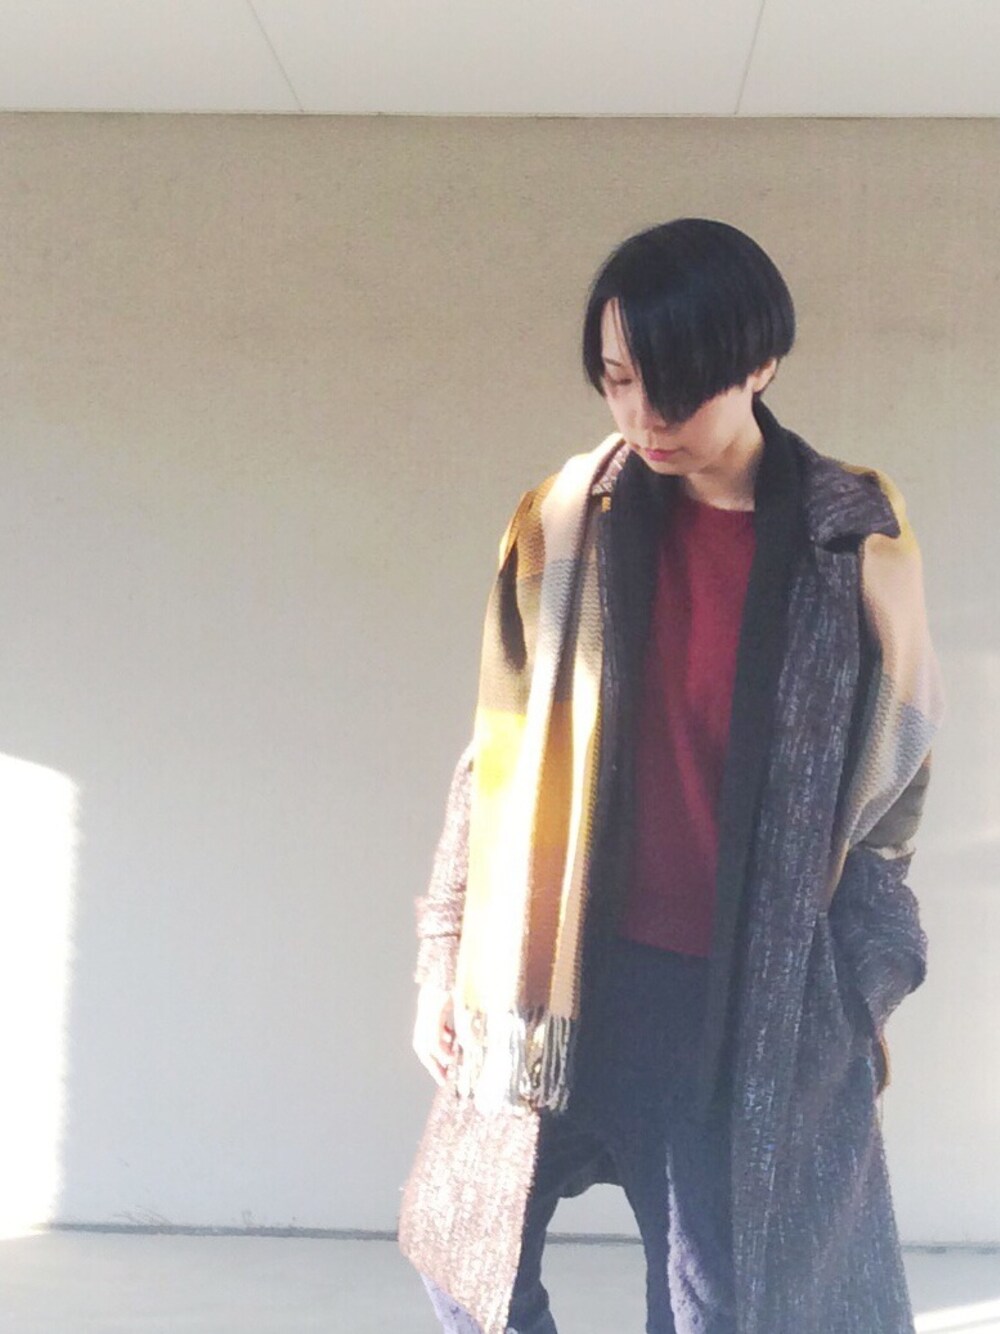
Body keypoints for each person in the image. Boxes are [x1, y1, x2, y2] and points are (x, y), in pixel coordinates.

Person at [397, 218, 944, 1334]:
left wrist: (855, 983)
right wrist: (442, 954)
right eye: (617, 379)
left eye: (676, 388)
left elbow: (895, 788)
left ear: (759, 363)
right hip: (553, 973)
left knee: (718, 1309)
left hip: (734, 1003)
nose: (643, 417)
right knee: (463, 1249)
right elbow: (493, 760)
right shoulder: (562, 523)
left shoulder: (850, 543)